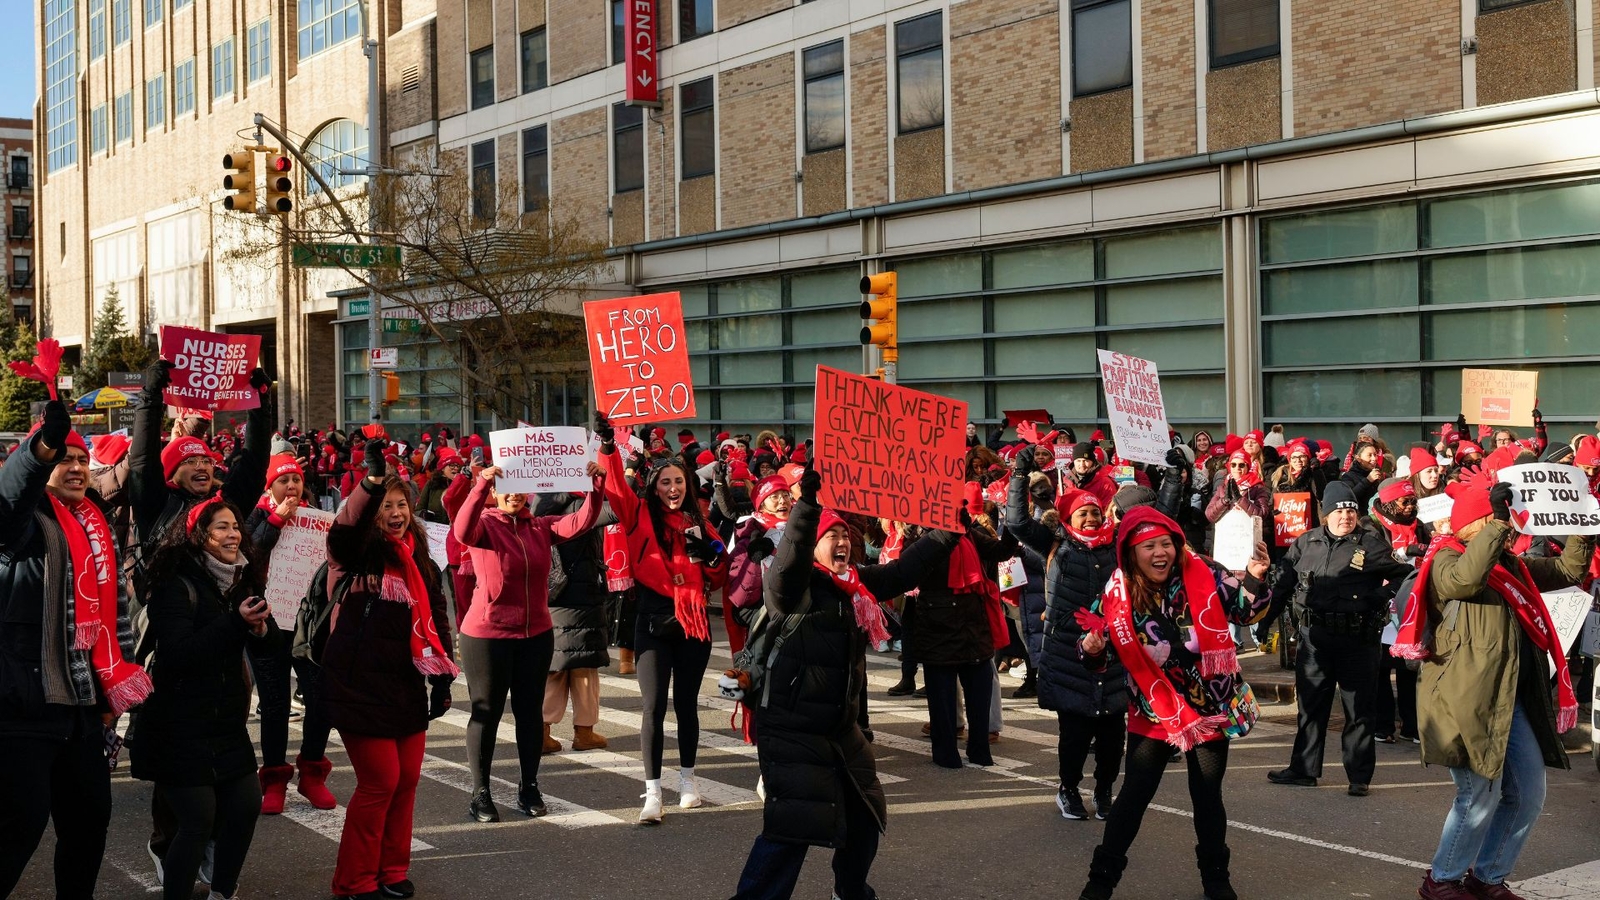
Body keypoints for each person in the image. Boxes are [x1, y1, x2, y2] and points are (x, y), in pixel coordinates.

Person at [730, 465, 956, 900]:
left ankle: (850, 893)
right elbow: (790, 557)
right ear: (813, 545)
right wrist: (806, 509)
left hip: (841, 731)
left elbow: (903, 572)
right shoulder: (791, 587)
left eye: (844, 536)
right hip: (792, 731)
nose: (842, 542)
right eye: (830, 536)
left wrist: (948, 531)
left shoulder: (854, 584)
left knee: (865, 820)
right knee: (790, 832)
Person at [1395, 474, 1593, 900]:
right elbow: (1465, 580)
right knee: (1478, 794)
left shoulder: (1512, 565)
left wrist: (1584, 523)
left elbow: (1569, 570)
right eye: (1497, 519)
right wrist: (1498, 525)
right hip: (1463, 701)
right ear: (1476, 524)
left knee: (1528, 793)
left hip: (1509, 698)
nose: (1510, 525)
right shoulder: (1444, 558)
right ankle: (1441, 880)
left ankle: (1487, 879)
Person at [1076, 506, 1271, 900]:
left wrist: (1255, 576)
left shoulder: (1206, 572)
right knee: (1134, 795)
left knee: (1207, 795)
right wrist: (1092, 647)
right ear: (1132, 553)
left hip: (1209, 705)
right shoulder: (1117, 592)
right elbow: (1095, 651)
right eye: (1149, 546)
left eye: (1165, 543)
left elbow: (1245, 611)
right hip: (1154, 709)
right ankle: (1100, 883)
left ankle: (1216, 879)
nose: (1159, 552)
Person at [0, 403, 152, 899]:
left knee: (88, 827)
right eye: (64, 459)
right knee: (17, 829)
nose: (77, 468)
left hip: (84, 707)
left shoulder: (95, 523)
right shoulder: (22, 524)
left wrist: (110, 694)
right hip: (26, 705)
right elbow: (10, 498)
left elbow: (113, 616)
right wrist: (39, 449)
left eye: (83, 460)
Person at [322, 441, 457, 900]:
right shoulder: (355, 552)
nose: (395, 513)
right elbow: (344, 533)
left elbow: (438, 616)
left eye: (401, 504)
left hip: (404, 685)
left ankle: (392, 870)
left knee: (407, 782)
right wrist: (371, 483)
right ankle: (354, 881)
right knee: (380, 782)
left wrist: (442, 678)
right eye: (386, 506)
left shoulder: (419, 556)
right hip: (358, 684)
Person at [132, 498, 276, 900]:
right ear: (199, 536)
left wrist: (262, 632)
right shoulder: (175, 584)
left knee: (245, 807)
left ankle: (223, 893)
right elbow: (180, 655)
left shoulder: (243, 580)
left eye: (236, 527)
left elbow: (269, 647)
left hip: (225, 722)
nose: (233, 535)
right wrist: (235, 623)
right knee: (197, 821)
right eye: (221, 528)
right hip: (179, 724)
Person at [450, 461, 604, 822]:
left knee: (530, 713)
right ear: (495, 491)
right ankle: (480, 793)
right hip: (487, 635)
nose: (515, 494)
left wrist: (596, 486)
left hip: (535, 634)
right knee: (486, 713)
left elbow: (582, 521)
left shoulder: (540, 527)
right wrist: (480, 485)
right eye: (507, 487)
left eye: (521, 487)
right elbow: (461, 530)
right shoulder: (485, 524)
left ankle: (529, 787)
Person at [596, 415, 729, 824]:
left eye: (679, 482)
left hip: (694, 624)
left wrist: (712, 561)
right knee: (653, 707)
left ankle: (688, 781)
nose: (673, 488)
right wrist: (607, 447)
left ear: (688, 485)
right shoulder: (638, 514)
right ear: (654, 487)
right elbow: (616, 488)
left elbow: (720, 574)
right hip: (653, 620)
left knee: (687, 706)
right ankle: (653, 792)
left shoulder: (700, 523)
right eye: (666, 482)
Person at [1265, 481, 1409, 796]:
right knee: (1310, 707)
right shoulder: (1306, 543)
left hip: (1357, 641)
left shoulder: (1370, 544)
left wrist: (1379, 597)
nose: (1346, 516)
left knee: (1359, 710)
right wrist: (1264, 621)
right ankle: (1303, 770)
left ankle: (1359, 777)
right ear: (1326, 514)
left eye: (1351, 510)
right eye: (1339, 510)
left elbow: (1404, 575)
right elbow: (1283, 585)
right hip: (1315, 639)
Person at [1005, 444, 1123, 821]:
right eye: (1082, 513)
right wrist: (1019, 475)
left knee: (1112, 739)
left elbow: (1158, 524)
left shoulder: (1116, 545)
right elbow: (1017, 523)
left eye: (1095, 512)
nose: (1090, 518)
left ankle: (1104, 791)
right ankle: (1068, 789)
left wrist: (1171, 480)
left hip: (1111, 655)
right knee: (1074, 736)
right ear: (1069, 517)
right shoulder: (1056, 544)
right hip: (1069, 655)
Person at [245, 453, 338, 815]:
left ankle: (312, 773)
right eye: (283, 480)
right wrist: (277, 518)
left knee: (320, 698)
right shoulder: (255, 515)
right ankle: (273, 779)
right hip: (267, 624)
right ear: (270, 486)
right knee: (274, 704)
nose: (291, 486)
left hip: (309, 624)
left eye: (296, 479)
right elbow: (249, 554)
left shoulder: (317, 519)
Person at [905, 491, 1017, 769]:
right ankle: (945, 752)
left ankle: (979, 749)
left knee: (979, 694)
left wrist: (1014, 517)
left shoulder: (970, 535)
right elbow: (907, 571)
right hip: (938, 630)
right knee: (942, 700)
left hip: (973, 628)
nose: (960, 511)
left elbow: (1001, 551)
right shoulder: (922, 538)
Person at [538, 486, 618, 754]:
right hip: (582, 600)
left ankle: (542, 731)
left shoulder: (538, 506)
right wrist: (626, 477)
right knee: (584, 669)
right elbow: (616, 510)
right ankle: (584, 732)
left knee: (554, 667)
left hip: (550, 598)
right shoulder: (579, 506)